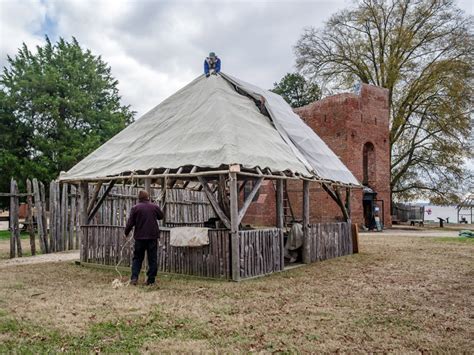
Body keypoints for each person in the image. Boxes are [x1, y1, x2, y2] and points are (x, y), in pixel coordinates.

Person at [124, 190, 164, 285]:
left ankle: (134, 278)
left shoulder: (135, 208)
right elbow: (161, 216)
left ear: (139, 198)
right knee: (152, 259)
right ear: (148, 197)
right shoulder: (154, 206)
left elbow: (130, 223)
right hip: (152, 237)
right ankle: (151, 280)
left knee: (137, 258)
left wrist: (126, 232)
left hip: (140, 237)